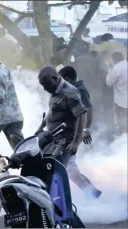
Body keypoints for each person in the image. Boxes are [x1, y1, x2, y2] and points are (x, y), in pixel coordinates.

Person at [58, 66, 102, 199]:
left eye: (62, 79)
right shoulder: (72, 89)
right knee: (69, 167)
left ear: (68, 79)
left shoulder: (80, 90)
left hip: (74, 134)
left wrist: (86, 130)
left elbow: (88, 110)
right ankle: (93, 193)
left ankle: (92, 194)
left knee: (70, 168)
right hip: (68, 133)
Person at [36, 66, 86, 167]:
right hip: (55, 137)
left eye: (46, 84)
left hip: (66, 139)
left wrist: (75, 143)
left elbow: (82, 115)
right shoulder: (54, 89)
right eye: (43, 85)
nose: (45, 88)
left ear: (55, 78)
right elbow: (53, 110)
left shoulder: (70, 93)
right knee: (69, 171)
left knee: (54, 167)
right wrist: (41, 127)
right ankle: (85, 184)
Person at [106, 52, 127, 133]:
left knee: (122, 121)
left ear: (113, 59)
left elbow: (108, 83)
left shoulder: (116, 69)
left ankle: (122, 138)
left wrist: (109, 69)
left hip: (121, 101)